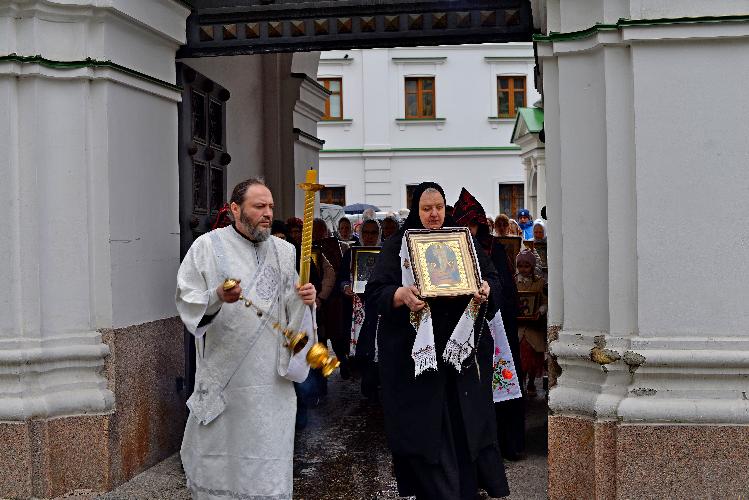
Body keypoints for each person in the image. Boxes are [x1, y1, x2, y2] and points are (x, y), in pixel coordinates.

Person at [366, 182, 509, 500]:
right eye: (426, 209)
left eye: (439, 208)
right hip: (418, 363)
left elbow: (496, 281)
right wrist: (399, 294)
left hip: (461, 361)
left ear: (448, 209)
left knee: (465, 431)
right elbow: (375, 292)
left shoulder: (463, 242)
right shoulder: (396, 246)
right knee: (430, 437)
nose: (433, 215)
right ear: (416, 211)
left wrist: (487, 290)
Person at [176, 178, 317, 499]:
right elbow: (187, 299)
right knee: (221, 463)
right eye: (259, 206)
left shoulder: (285, 251)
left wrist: (303, 298)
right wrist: (216, 296)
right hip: (227, 377)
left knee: (268, 465)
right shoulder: (207, 247)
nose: (267, 213)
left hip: (271, 384)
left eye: (270, 207)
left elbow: (290, 309)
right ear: (235, 209)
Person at [453, 188, 526, 461]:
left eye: (474, 224)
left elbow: (505, 289)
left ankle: (510, 443)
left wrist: (489, 296)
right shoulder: (451, 250)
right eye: (464, 224)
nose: (470, 230)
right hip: (463, 328)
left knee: (503, 383)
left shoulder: (493, 250)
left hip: (496, 326)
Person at [337, 218, 382, 398]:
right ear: (360, 233)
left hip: (379, 308)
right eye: (366, 232)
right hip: (357, 308)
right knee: (362, 347)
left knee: (378, 345)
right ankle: (367, 380)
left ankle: (376, 380)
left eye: (373, 233)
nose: (369, 237)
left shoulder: (385, 253)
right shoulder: (351, 254)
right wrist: (345, 287)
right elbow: (342, 278)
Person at [515, 249, 547, 397]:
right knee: (520, 357)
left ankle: (531, 382)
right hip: (519, 327)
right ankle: (520, 382)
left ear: (532, 266)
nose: (523, 269)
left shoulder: (539, 283)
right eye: (520, 266)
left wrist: (539, 311)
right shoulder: (514, 281)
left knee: (533, 358)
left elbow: (545, 302)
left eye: (526, 266)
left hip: (534, 327)